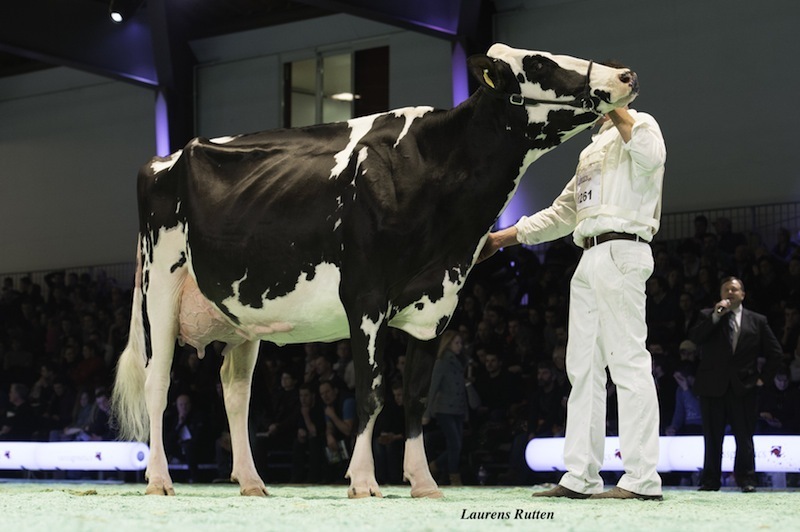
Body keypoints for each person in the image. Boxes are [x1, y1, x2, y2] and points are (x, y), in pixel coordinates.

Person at [480, 99, 666, 500]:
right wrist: (501, 239)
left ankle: (642, 479)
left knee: (628, 364)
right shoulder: (590, 150)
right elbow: (564, 213)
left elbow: (651, 158)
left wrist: (617, 107)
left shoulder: (642, 125)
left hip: (623, 248)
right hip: (589, 257)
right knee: (582, 369)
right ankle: (581, 476)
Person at [688, 277, 783, 492]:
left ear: (743, 294)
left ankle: (746, 479)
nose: (730, 292)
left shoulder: (757, 320)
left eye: (734, 289)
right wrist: (715, 316)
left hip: (744, 387)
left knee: (744, 437)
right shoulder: (708, 315)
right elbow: (695, 338)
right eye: (726, 289)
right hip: (712, 387)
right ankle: (710, 480)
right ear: (721, 294)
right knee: (712, 438)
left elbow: (776, 353)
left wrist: (763, 379)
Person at [423, 330, 468, 486]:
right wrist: (427, 412)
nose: (460, 346)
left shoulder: (460, 362)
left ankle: (435, 466)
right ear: (448, 344)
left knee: (457, 444)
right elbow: (433, 387)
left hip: (457, 409)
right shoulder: (442, 362)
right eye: (456, 343)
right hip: (444, 409)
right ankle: (453, 476)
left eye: (460, 343)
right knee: (455, 443)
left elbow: (461, 388)